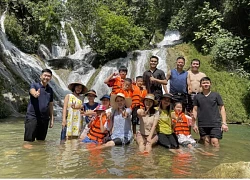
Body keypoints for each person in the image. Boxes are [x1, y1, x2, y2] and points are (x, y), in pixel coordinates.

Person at [192, 77, 228, 147]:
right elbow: (195, 110)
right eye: (203, 83)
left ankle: (216, 157)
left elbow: (222, 108)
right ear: (200, 85)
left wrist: (224, 123)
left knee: (215, 142)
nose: (206, 84)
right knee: (206, 142)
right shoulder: (197, 97)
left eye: (207, 83)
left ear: (210, 84)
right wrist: (194, 124)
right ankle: (207, 157)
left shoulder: (216, 95)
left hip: (215, 123)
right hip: (202, 124)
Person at [24, 69, 54, 142]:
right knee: (28, 141)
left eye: (48, 76)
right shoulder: (35, 85)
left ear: (51, 78)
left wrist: (52, 119)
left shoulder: (50, 90)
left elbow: (50, 105)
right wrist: (35, 94)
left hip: (44, 118)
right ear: (41, 76)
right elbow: (32, 90)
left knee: (41, 141)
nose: (46, 77)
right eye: (45, 75)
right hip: (32, 117)